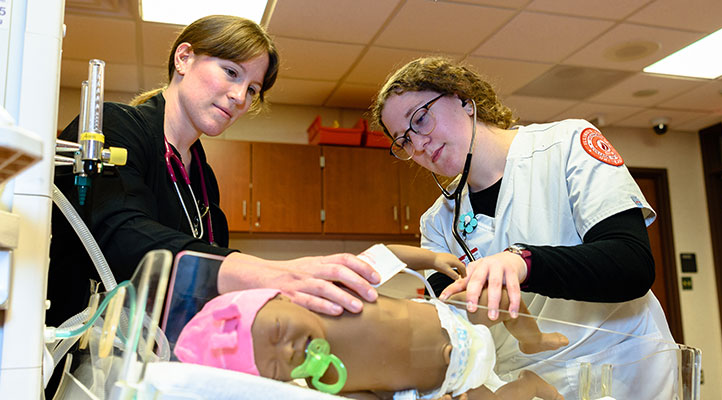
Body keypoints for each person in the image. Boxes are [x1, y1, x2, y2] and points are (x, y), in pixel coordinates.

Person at [368, 56, 677, 399]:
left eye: (421, 119)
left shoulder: (567, 145)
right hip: (523, 383)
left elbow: (631, 264)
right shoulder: (438, 224)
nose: (419, 144)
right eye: (404, 141)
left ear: (463, 99)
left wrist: (521, 262)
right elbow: (452, 322)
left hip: (621, 368)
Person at [47, 15, 380, 330]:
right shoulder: (114, 127)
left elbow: (203, 276)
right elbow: (124, 237)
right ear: (184, 58)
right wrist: (270, 273)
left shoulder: (203, 178)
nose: (239, 97)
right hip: (81, 349)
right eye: (231, 72)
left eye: (252, 89)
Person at [174, 288, 566, 400]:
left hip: (454, 320)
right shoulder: (327, 382)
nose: (289, 352)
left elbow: (383, 258)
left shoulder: (334, 298)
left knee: (495, 295)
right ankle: (530, 385)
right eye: (277, 368)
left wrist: (428, 256)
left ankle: (533, 339)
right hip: (447, 383)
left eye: (277, 333)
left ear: (281, 297)